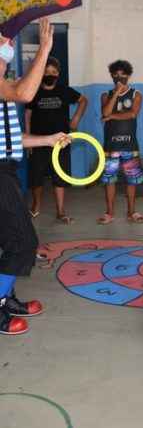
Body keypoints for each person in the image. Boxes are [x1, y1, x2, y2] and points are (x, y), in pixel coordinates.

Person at [0, 19, 71, 335]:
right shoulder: (5, 86)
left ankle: (6, 299)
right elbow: (26, 93)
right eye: (4, 43)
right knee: (23, 243)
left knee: (9, 241)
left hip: (7, 168)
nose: (9, 46)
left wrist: (46, 139)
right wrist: (44, 48)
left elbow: (10, 137)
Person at [25, 56, 87, 223]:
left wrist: (76, 119)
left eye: (53, 72)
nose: (49, 74)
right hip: (39, 141)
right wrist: (28, 139)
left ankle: (61, 211)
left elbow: (83, 100)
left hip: (61, 142)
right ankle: (36, 206)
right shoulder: (34, 91)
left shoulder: (64, 91)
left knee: (60, 177)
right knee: (36, 176)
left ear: (58, 74)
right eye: (46, 72)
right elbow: (28, 115)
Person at [99, 60, 143, 225]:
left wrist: (112, 116)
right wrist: (116, 95)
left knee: (131, 180)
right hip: (111, 147)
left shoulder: (136, 95)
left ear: (128, 75)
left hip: (130, 147)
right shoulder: (106, 95)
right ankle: (109, 212)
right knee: (109, 180)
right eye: (116, 74)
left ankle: (131, 211)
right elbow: (105, 112)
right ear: (111, 75)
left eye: (123, 74)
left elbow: (132, 114)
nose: (119, 77)